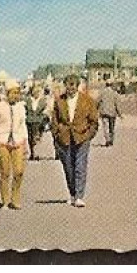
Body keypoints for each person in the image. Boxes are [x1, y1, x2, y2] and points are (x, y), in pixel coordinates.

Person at [50, 74, 100, 207]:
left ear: (77, 86)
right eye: (68, 85)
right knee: (68, 166)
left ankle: (79, 196)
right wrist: (56, 134)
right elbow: (54, 120)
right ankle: (72, 193)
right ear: (65, 86)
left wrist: (89, 135)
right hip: (64, 137)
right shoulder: (59, 101)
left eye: (73, 85)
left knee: (80, 165)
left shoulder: (87, 100)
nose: (70, 88)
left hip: (81, 137)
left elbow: (94, 120)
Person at [0, 81, 29, 209]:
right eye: (14, 93)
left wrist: (25, 142)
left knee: (19, 171)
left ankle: (15, 197)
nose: (16, 96)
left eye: (18, 93)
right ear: (7, 93)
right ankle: (5, 200)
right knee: (5, 172)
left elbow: (23, 125)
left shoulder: (21, 107)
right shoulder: (0, 106)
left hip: (17, 140)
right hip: (2, 141)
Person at [24, 84, 48, 161]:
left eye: (38, 92)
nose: (36, 93)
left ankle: (36, 152)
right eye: (35, 92)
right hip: (29, 121)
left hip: (38, 121)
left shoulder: (42, 101)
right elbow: (25, 110)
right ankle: (32, 153)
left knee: (36, 137)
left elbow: (45, 110)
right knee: (30, 138)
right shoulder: (27, 100)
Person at [97, 81, 121, 147]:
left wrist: (96, 110)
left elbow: (97, 102)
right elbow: (117, 104)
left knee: (105, 127)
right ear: (112, 85)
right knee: (111, 127)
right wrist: (119, 113)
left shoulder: (102, 92)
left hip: (104, 112)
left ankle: (107, 140)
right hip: (112, 113)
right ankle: (111, 140)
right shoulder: (115, 93)